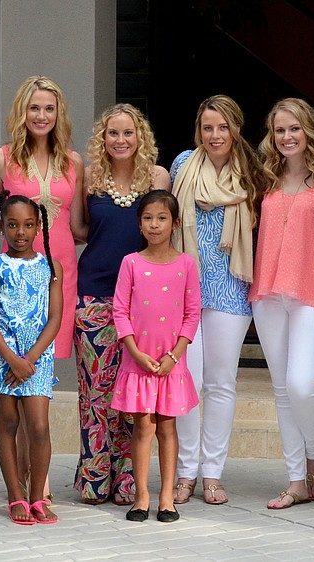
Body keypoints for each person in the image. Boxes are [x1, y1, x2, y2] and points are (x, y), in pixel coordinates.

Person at [0, 75, 83, 498]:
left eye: (49, 108)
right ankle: (21, 484)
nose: (41, 116)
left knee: (40, 378)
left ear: (58, 113)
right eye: (34, 108)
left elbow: (79, 226)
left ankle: (36, 482)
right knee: (18, 378)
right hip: (12, 280)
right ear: (21, 112)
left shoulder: (74, 162)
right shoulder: (0, 159)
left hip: (59, 273)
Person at [72, 104, 170, 505]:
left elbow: (165, 230)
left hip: (143, 299)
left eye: (128, 133)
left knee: (133, 393)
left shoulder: (159, 177)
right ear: (103, 138)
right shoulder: (90, 176)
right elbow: (79, 228)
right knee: (95, 391)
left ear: (140, 136)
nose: (121, 140)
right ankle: (95, 475)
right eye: (113, 133)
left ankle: (129, 477)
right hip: (94, 293)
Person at [170, 95, 261, 505]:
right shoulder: (182, 166)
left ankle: (213, 473)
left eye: (223, 127)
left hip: (231, 290)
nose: (215, 135)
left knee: (222, 384)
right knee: (188, 380)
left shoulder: (254, 173)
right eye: (208, 127)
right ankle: (186, 471)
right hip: (184, 291)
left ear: (236, 128)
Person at [249, 98, 314, 509]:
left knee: (303, 384)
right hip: (267, 293)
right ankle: (296, 480)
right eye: (280, 130)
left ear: (309, 132)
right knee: (282, 390)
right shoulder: (262, 179)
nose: (287, 137)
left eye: (294, 129)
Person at [111, 190, 201, 523]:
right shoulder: (131, 263)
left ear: (175, 223)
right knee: (142, 428)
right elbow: (120, 310)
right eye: (148, 217)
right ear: (139, 223)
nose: (154, 224)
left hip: (170, 364)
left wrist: (175, 356)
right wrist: (134, 351)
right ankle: (142, 497)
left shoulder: (186, 264)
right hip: (139, 362)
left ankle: (167, 497)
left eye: (162, 218)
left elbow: (192, 314)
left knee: (167, 428)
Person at [0, 191, 63, 525]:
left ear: (39, 226)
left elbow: (55, 318)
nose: (21, 232)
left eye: (28, 224)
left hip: (38, 356)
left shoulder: (50, 267)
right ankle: (15, 496)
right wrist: (13, 359)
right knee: (9, 422)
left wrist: (30, 359)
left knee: (39, 427)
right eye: (12, 225)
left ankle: (37, 496)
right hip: (2, 356)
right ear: (1, 225)